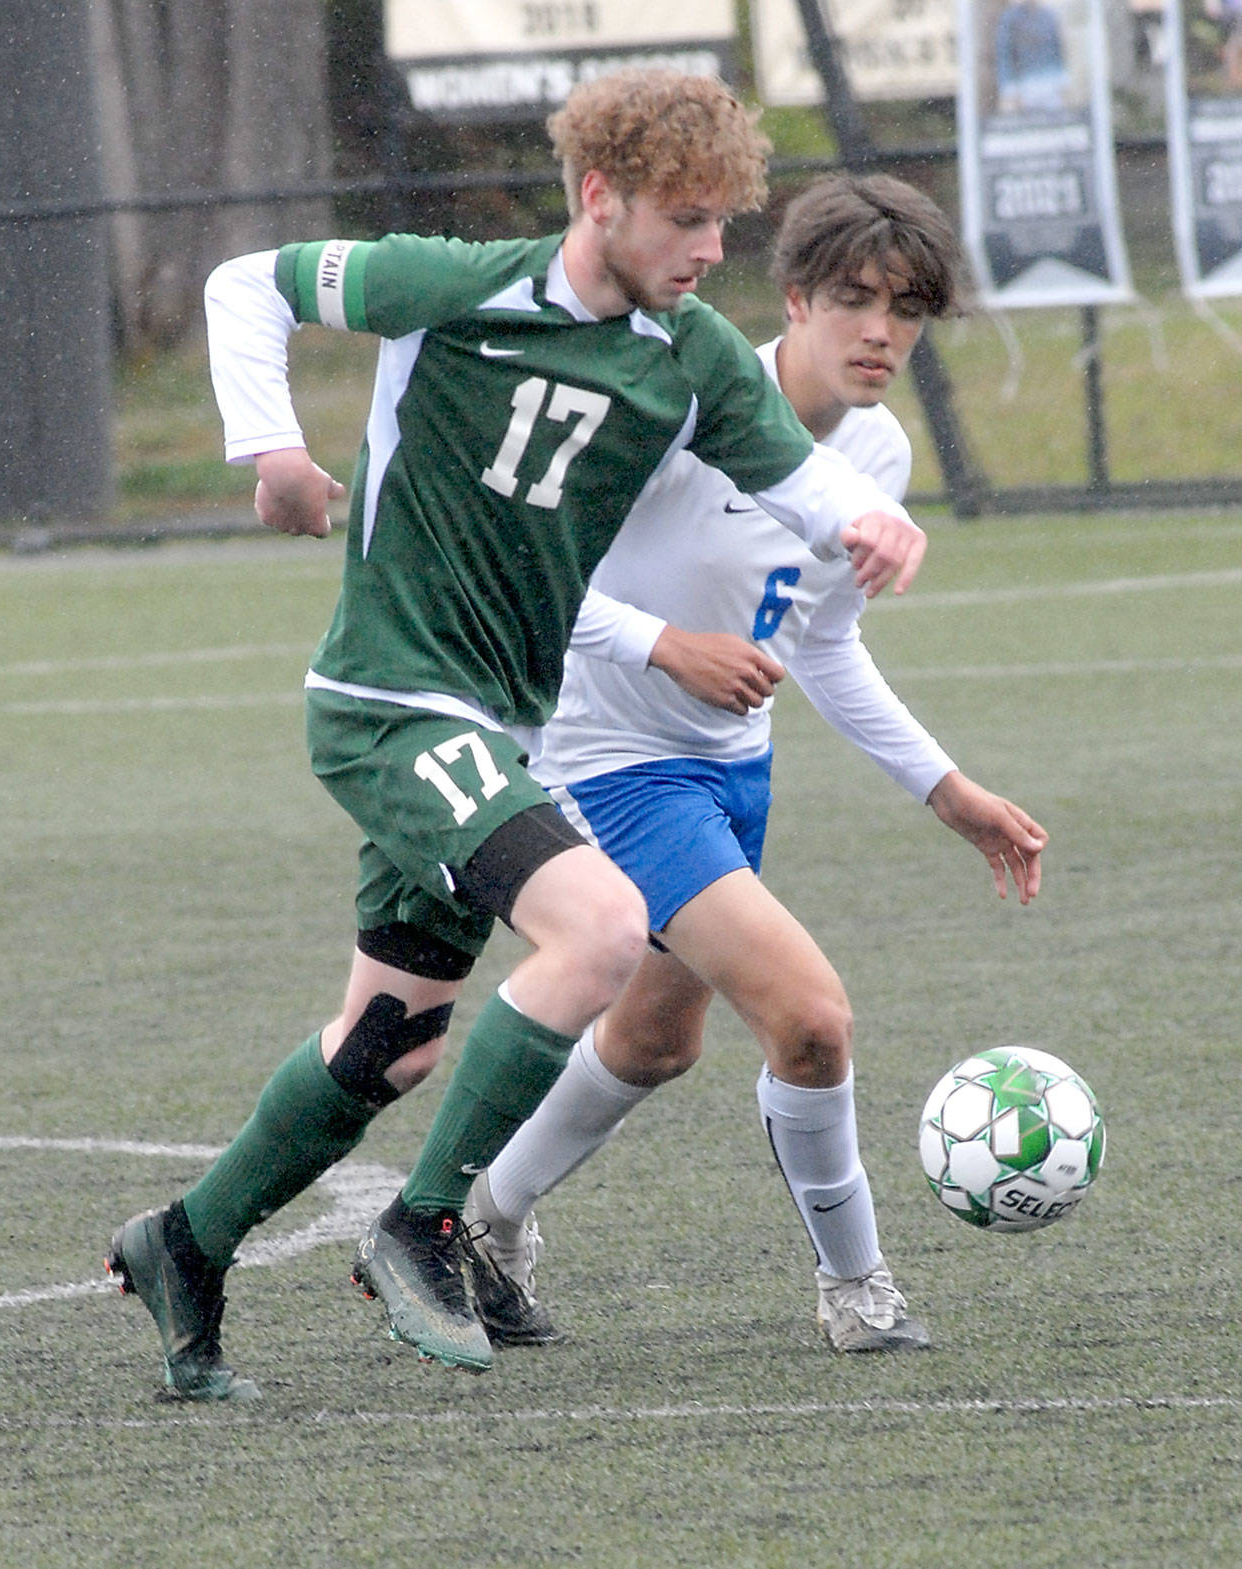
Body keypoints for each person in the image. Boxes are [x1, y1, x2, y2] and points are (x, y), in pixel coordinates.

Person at [105, 70, 930, 1398]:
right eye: (687, 220)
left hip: (498, 721)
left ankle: (185, 1245)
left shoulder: (691, 352)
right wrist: (268, 447)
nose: (713, 250)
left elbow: (794, 468)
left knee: (393, 1041)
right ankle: (428, 1226)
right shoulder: (452, 281)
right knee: (601, 929)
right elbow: (245, 283)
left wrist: (864, 524)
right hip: (390, 695)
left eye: (727, 223)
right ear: (599, 199)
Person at [460, 173, 1049, 1354]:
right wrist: (661, 645)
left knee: (651, 1041)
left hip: (730, 767)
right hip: (607, 760)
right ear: (790, 299)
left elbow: (823, 644)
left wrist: (947, 789)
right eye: (852, 300)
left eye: (905, 309)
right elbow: (526, 578)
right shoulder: (668, 407)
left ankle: (479, 1221)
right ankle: (856, 1291)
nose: (879, 331)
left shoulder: (875, 453)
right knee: (810, 1019)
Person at [994, 0, 1069, 115]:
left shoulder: (1048, 16)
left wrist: (1062, 83)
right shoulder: (1010, 19)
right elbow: (1004, 55)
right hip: (1024, 89)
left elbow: (1057, 50)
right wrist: (1010, 91)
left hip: (1050, 86)